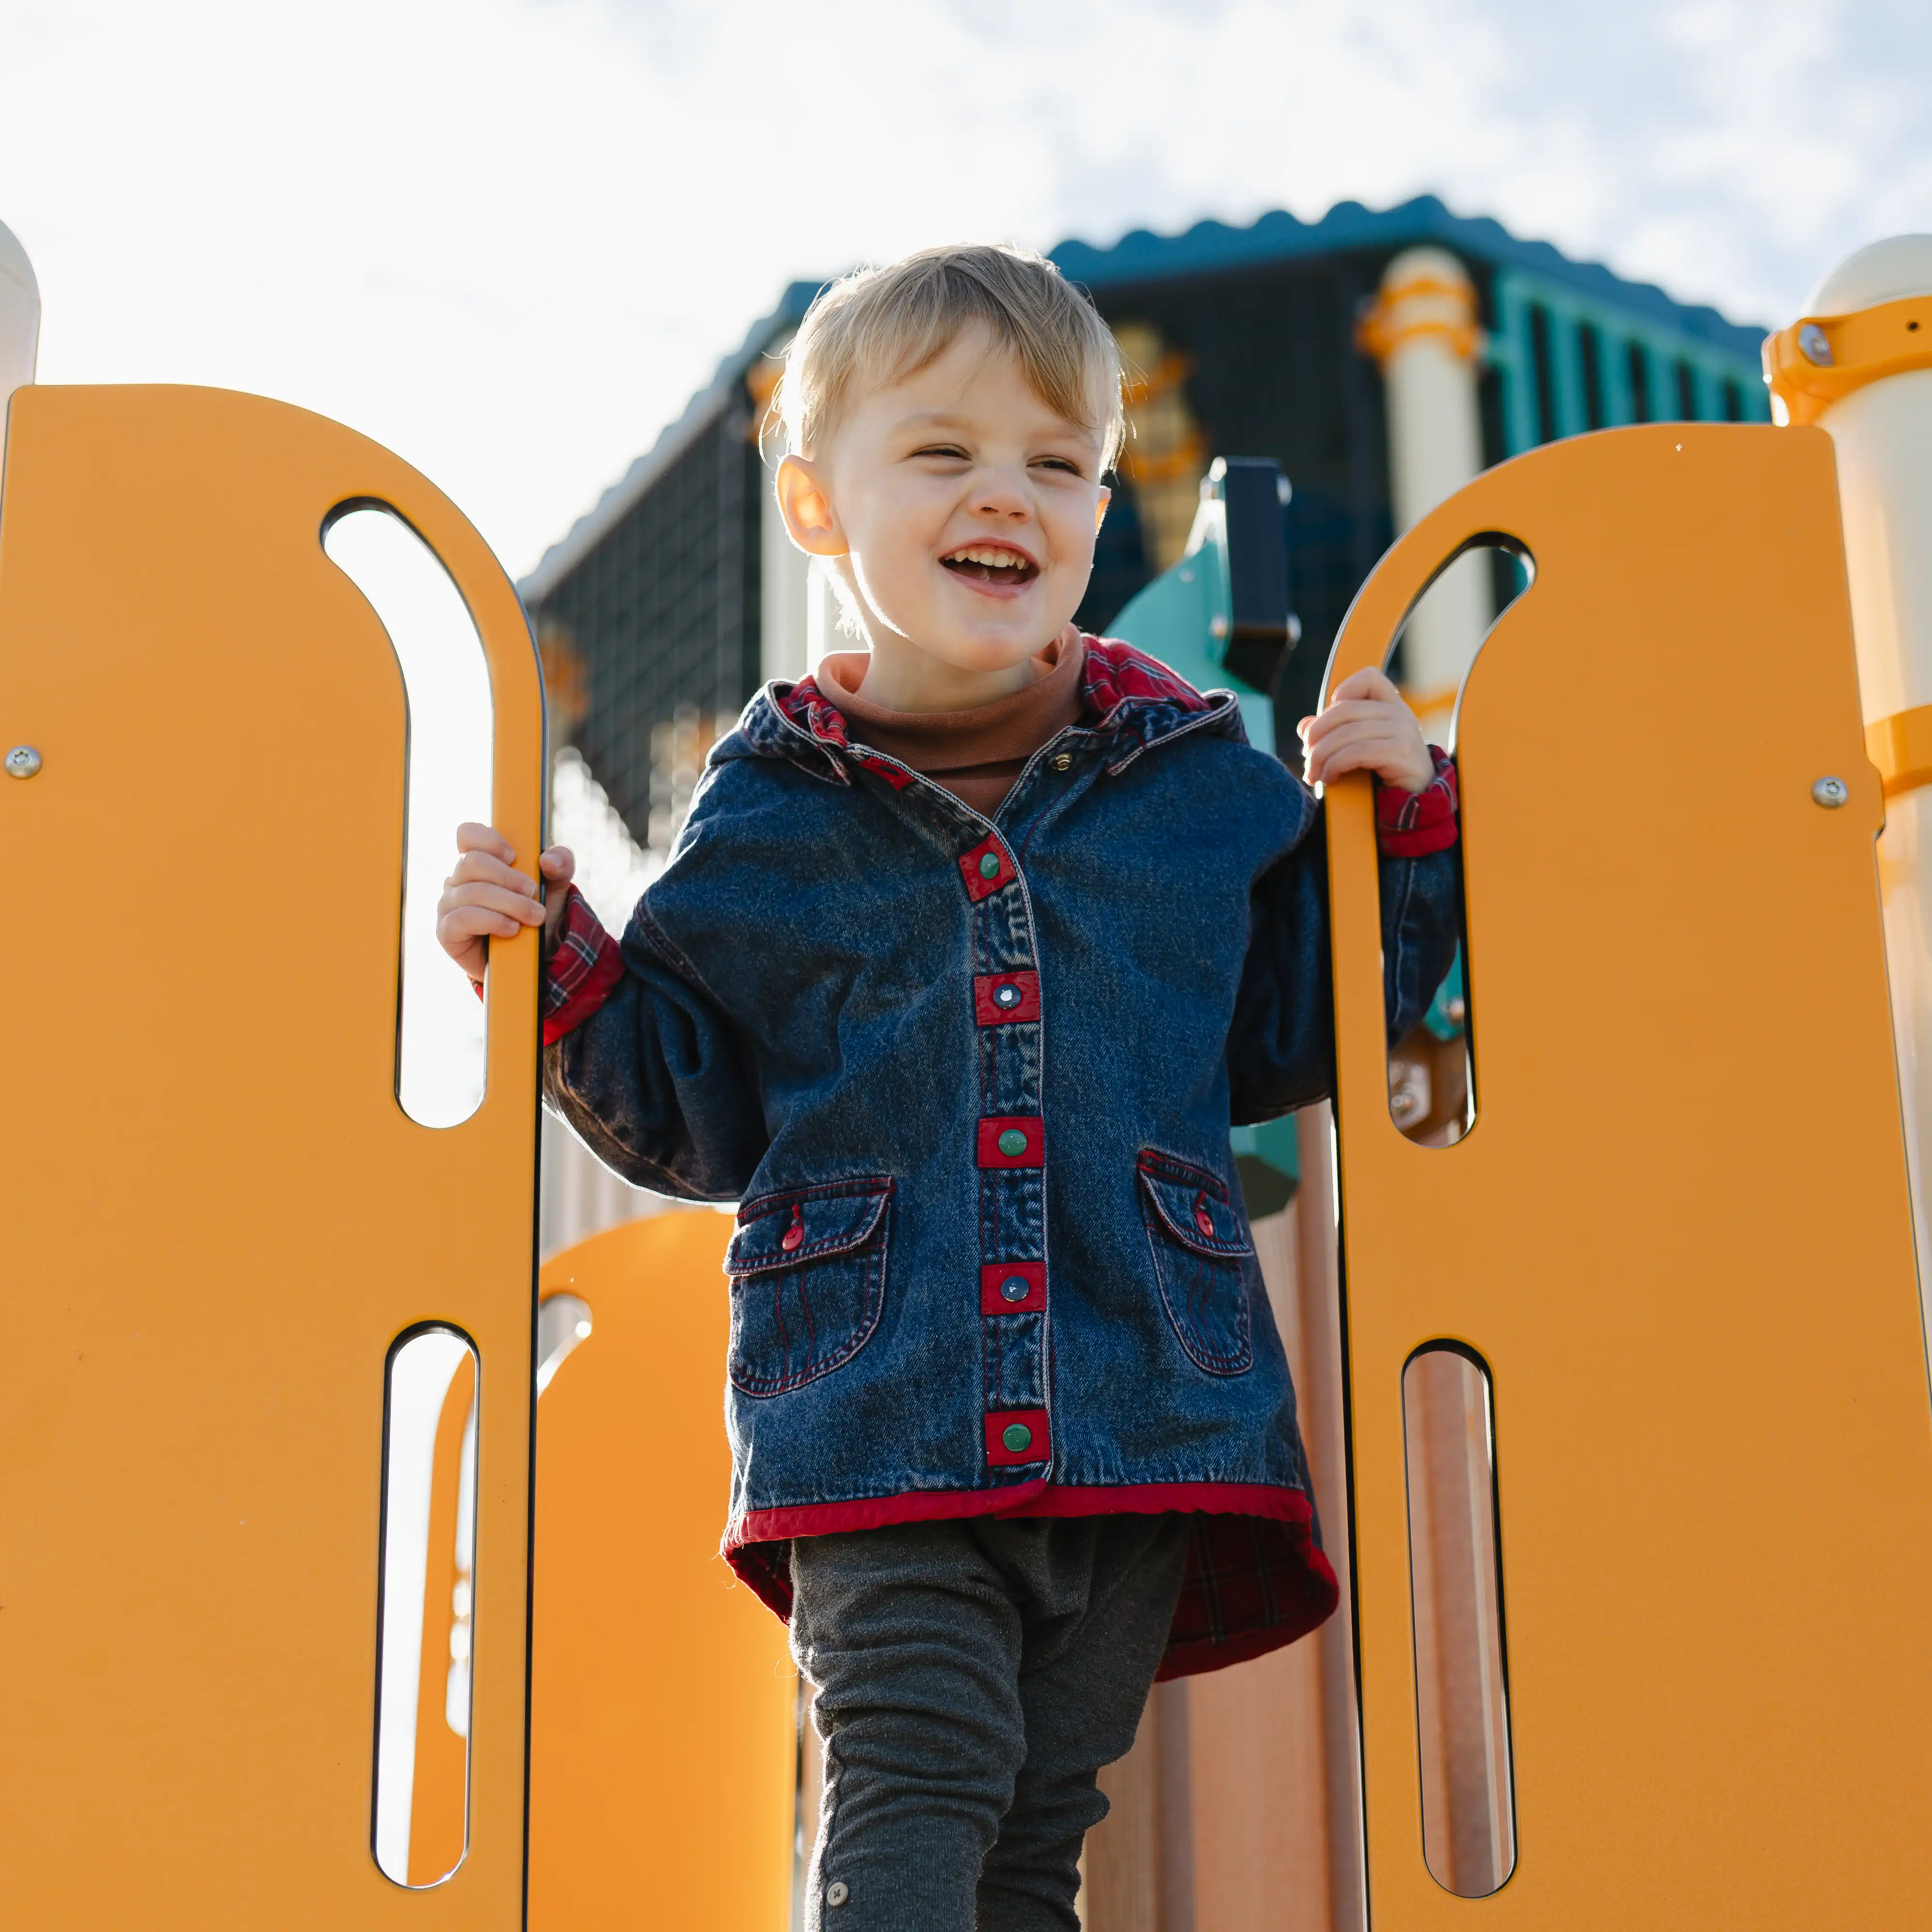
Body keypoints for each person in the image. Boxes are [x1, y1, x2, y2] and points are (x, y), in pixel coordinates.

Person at [438, 243, 1460, 1931]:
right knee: (914, 1782)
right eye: (945, 451)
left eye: (1058, 462)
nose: (1012, 493)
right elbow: (696, 1106)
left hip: (1142, 1384)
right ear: (819, 507)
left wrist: (1401, 830)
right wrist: (558, 967)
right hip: (878, 1400)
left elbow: (1301, 1020)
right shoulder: (766, 813)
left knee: (1038, 1822)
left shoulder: (1193, 777)